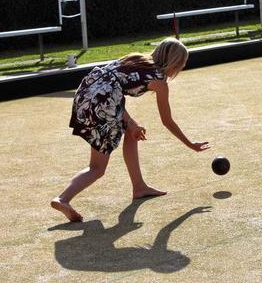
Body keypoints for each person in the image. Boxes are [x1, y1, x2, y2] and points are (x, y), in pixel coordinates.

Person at [51, 38, 210, 222]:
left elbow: (112, 86)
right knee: (97, 168)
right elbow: (167, 121)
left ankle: (139, 186)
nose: (180, 69)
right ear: (175, 63)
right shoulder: (159, 82)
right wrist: (191, 144)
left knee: (132, 132)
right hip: (103, 104)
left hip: (85, 95)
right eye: (181, 64)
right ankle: (62, 199)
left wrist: (130, 123)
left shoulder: (135, 59)